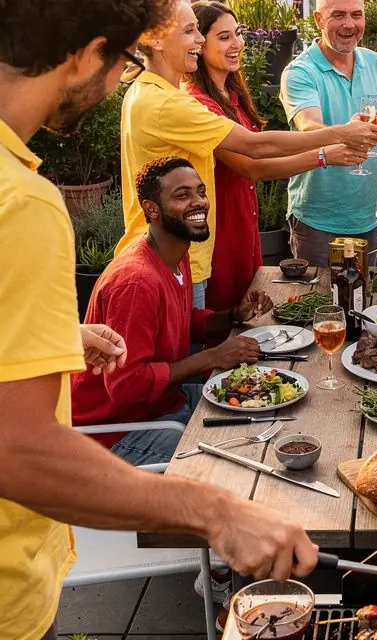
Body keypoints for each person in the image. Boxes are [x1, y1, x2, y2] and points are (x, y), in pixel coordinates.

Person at [0, 0, 318, 640]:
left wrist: (60, 336)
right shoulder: (21, 203)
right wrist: (216, 509)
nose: (121, 80)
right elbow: (20, 452)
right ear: (86, 52)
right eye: (125, 57)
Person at [118, 0, 377, 307]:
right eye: (190, 31)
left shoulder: (152, 93)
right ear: (156, 40)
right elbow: (255, 149)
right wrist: (338, 137)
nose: (199, 39)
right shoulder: (170, 103)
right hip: (175, 253)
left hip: (181, 250)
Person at [72, 157, 271, 465]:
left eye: (200, 192)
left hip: (165, 406)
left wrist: (232, 315)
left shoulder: (174, 254)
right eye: (182, 195)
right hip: (113, 434)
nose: (199, 202)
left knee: (264, 411)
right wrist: (212, 357)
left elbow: (183, 320)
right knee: (236, 458)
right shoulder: (136, 283)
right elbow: (126, 385)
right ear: (151, 209)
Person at [188, 0, 368, 311]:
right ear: (200, 46)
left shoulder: (230, 94)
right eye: (224, 37)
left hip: (244, 225)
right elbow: (254, 164)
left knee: (246, 313)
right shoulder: (200, 104)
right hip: (220, 231)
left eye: (238, 33)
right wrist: (327, 152)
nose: (237, 44)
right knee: (224, 320)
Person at [280, 0, 377, 266]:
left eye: (357, 14)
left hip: (371, 213)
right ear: (318, 19)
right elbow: (309, 127)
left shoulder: (375, 63)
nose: (349, 24)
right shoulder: (300, 72)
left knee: (367, 302)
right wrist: (347, 132)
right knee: (322, 304)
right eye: (338, 15)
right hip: (319, 218)